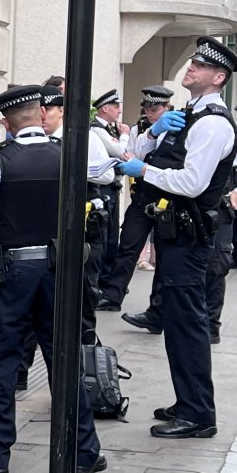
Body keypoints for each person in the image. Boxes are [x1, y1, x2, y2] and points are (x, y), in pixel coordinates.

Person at [0, 84, 105, 473]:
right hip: (59, 269)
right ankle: (83, 450)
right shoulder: (67, 158)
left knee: (0, 362)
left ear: (6, 122)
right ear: (41, 115)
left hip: (12, 271)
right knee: (64, 358)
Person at [118, 36, 237, 438]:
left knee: (188, 323)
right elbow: (139, 149)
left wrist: (144, 172)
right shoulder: (187, 115)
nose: (191, 67)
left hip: (190, 236)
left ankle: (199, 414)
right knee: (176, 320)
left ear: (218, 77)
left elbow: (191, 182)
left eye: (201, 66)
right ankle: (187, 401)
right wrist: (152, 134)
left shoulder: (214, 123)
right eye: (192, 62)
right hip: (174, 233)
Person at [16, 84, 115, 387]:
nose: (43, 116)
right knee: (34, 306)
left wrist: (67, 166)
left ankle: (86, 381)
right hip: (44, 233)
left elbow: (107, 175)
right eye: (40, 110)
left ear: (62, 111)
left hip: (83, 234)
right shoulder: (33, 142)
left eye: (50, 110)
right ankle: (20, 374)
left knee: (82, 304)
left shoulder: (84, 138)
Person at [99, 86, 174, 312]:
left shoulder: (179, 127)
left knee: (163, 253)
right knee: (128, 246)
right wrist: (150, 134)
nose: (150, 114)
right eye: (147, 109)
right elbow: (132, 155)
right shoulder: (140, 128)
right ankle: (113, 295)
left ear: (167, 107)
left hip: (167, 197)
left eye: (156, 109)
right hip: (143, 196)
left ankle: (157, 308)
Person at [90, 88, 129, 296]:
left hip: (112, 186)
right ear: (105, 108)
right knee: (105, 238)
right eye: (116, 106)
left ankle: (106, 281)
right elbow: (119, 152)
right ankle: (102, 283)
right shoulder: (97, 129)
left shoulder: (109, 129)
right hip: (104, 187)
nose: (119, 111)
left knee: (112, 237)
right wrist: (125, 136)